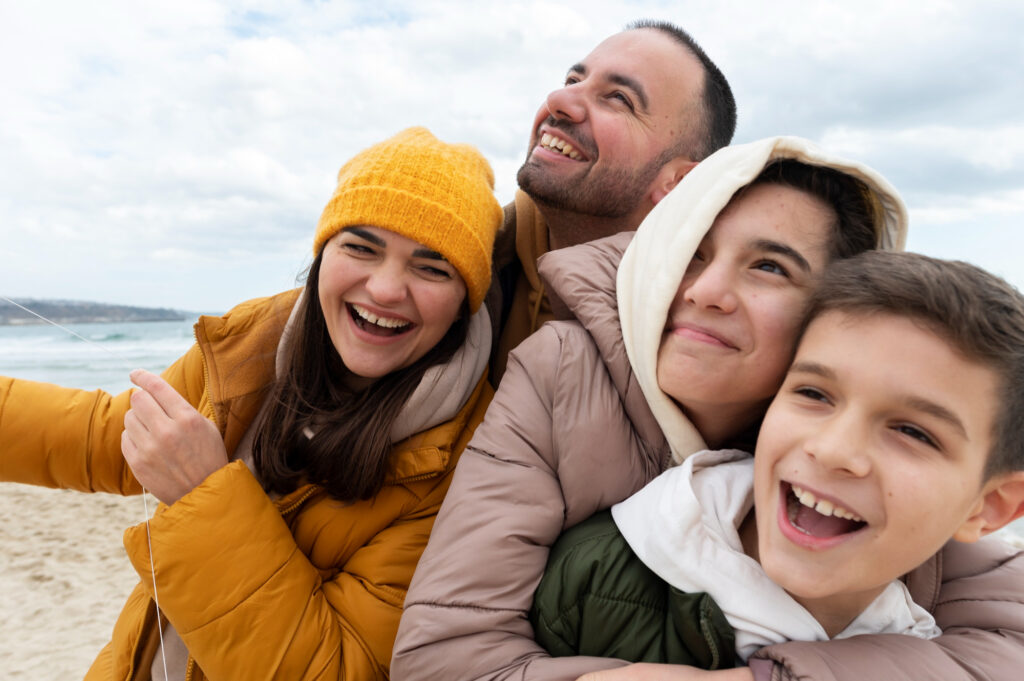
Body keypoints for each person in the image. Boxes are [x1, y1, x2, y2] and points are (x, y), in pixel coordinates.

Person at [392, 136, 1024, 681]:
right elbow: (446, 650)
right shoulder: (563, 369)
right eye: (691, 251)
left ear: (832, 315)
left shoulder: (875, 447)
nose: (705, 291)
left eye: (769, 267)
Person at [0, 127, 503, 681]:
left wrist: (204, 495)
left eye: (431, 267)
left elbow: (335, 670)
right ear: (322, 255)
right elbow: (112, 437)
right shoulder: (255, 341)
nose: (385, 289)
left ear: (464, 302)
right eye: (361, 247)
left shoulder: (467, 464)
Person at [531, 251, 1024, 673]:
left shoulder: (934, 647)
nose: (832, 450)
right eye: (813, 393)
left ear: (990, 507)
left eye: (912, 432)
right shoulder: (594, 573)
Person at [490, 19, 736, 381]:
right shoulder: (461, 262)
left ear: (680, 182)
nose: (558, 101)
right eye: (573, 81)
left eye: (619, 98)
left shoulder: (705, 333)